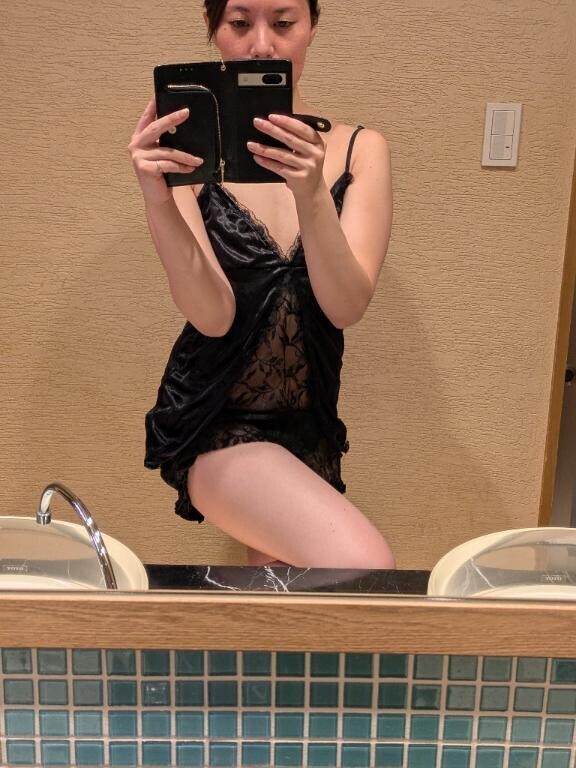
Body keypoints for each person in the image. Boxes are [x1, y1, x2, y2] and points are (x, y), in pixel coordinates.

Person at [128, 0, 395, 568]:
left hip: (311, 420)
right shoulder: (188, 153)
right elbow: (213, 317)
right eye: (240, 23)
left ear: (313, 26)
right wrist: (158, 200)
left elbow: (344, 306)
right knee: (364, 566)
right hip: (217, 417)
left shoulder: (360, 150)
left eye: (283, 22)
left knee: (288, 604)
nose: (262, 46)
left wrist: (311, 192)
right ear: (213, 29)